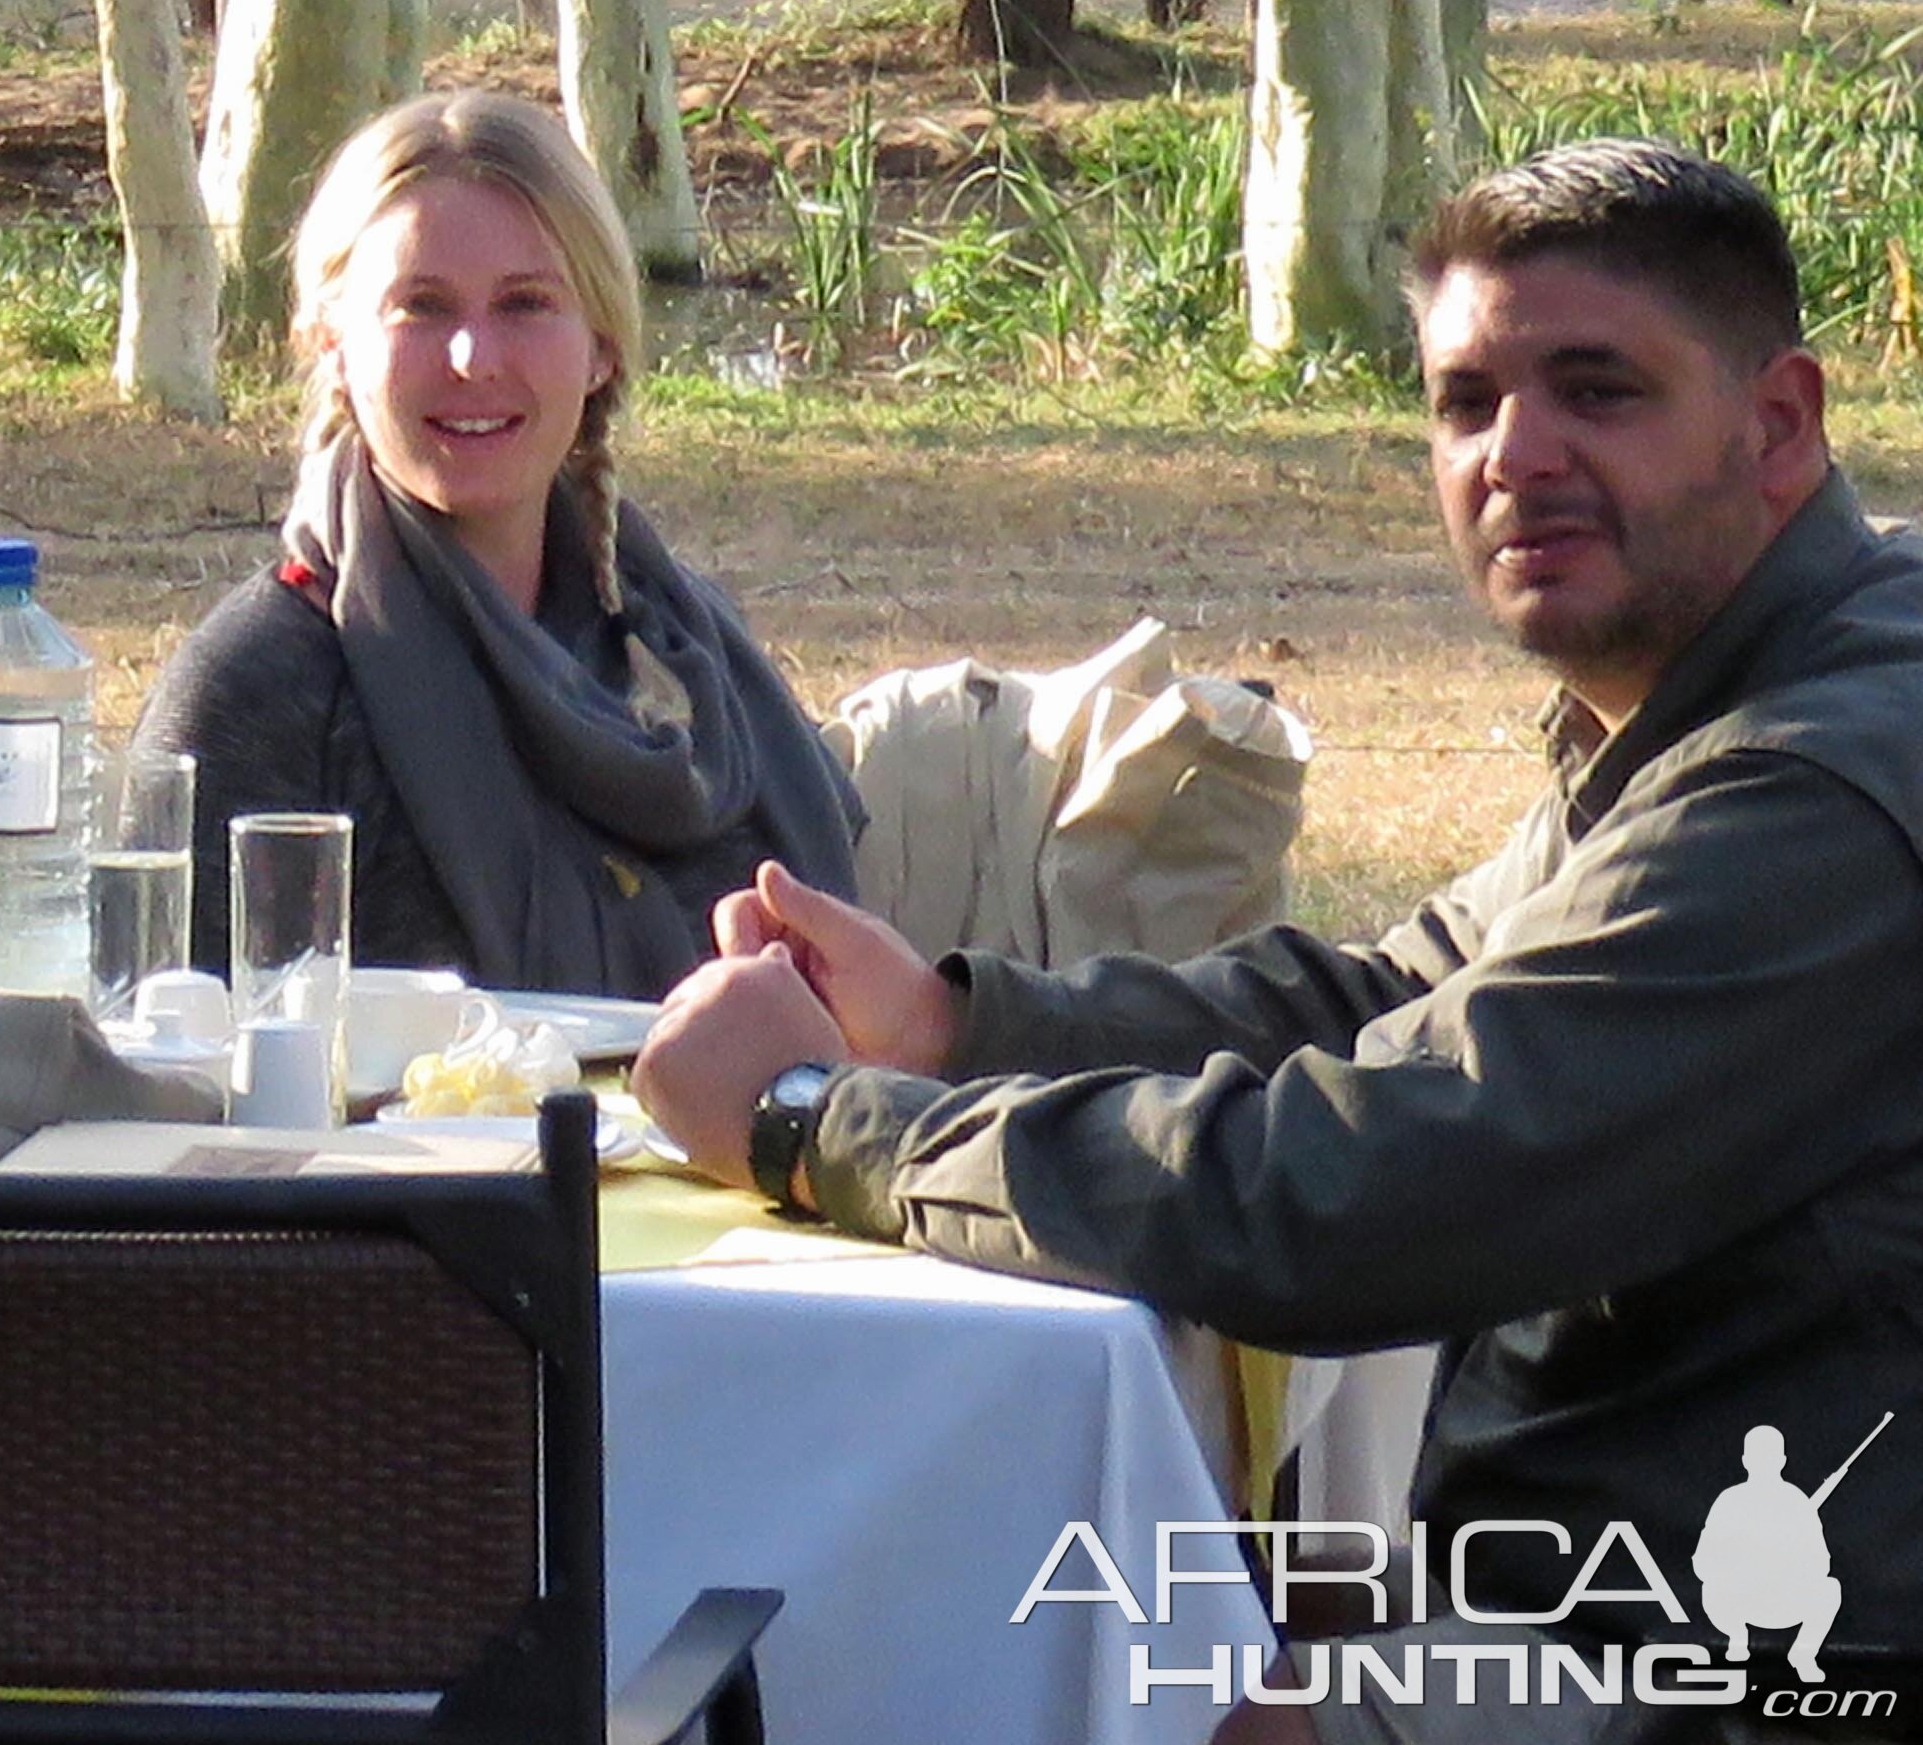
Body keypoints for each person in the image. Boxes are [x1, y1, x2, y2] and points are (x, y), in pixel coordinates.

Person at [635, 138, 1923, 1730]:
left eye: (1598, 391)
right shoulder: (1731, 694)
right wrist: (957, 1028)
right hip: (1615, 1568)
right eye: (1466, 402)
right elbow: (1393, 994)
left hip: (1781, 1648)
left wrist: (817, 1126)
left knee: (1059, 1685)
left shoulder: (1818, 784)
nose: (1514, 455)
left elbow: (1358, 1194)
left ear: (1777, 423)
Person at [133, 90, 858, 991]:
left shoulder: (688, 658)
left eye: (524, 303)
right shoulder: (264, 688)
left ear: (602, 347)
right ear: (332, 343)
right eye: (422, 308)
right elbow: (167, 1054)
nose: (474, 358)